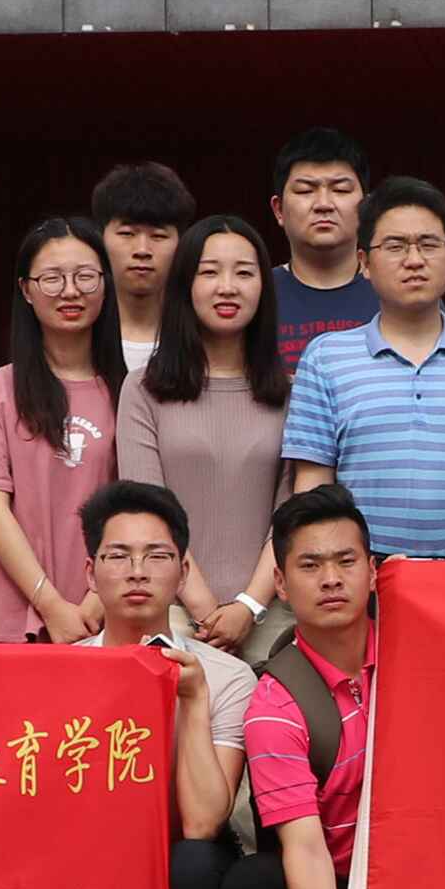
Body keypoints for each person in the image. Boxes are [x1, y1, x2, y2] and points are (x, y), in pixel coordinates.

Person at [74, 480, 262, 889]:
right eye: (118, 555)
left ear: (183, 572)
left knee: (199, 862)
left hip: (179, 855)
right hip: (89, 860)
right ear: (90, 572)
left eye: (156, 556)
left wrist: (193, 699)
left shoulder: (228, 676)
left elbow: (204, 820)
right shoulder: (59, 672)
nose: (137, 571)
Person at [224, 486, 380, 889]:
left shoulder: (426, 654)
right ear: (283, 587)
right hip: (336, 888)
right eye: (310, 566)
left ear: (374, 571)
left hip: (424, 881)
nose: (332, 579)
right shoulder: (275, 703)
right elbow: (306, 850)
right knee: (251, 885)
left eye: (347, 561)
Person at [283, 177, 445, 559]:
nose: (414, 260)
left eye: (428, 244)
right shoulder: (325, 358)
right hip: (362, 575)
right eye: (395, 246)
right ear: (364, 262)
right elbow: (313, 487)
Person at [122, 214, 296, 652]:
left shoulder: (292, 393)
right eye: (210, 272)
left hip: (272, 615)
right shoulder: (143, 389)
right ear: (185, 285)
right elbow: (149, 511)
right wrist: (207, 612)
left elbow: (290, 513)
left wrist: (248, 607)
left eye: (244, 273)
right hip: (172, 613)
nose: (227, 287)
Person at [0, 217, 125, 643]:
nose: (70, 291)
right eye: (52, 278)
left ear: (105, 285)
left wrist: (96, 599)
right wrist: (51, 605)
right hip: (11, 622)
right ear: (26, 290)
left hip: (105, 617)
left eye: (85, 276)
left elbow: (132, 506)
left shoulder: (130, 392)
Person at [267, 127, 380, 372]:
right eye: (305, 190)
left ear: (366, 206)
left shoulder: (397, 292)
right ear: (279, 209)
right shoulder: (255, 293)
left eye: (340, 190)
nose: (324, 204)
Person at [92, 160, 195, 375]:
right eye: (127, 234)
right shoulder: (80, 337)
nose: (142, 250)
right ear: (101, 237)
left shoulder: (200, 339)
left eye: (158, 236)